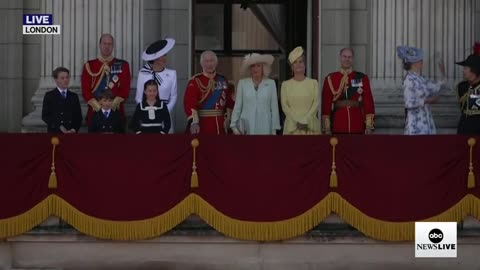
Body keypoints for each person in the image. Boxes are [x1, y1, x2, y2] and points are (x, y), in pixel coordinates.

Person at [321, 48, 375, 135]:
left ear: (353, 59)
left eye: (349, 57)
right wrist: (326, 128)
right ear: (340, 58)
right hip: (338, 124)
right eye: (344, 56)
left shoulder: (361, 77)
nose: (347, 59)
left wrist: (369, 126)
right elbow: (326, 104)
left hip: (357, 125)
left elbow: (368, 102)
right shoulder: (331, 78)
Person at [81, 33, 131, 125]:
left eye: (109, 44)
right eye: (104, 43)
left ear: (113, 46)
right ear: (100, 45)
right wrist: (98, 106)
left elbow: (125, 89)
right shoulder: (89, 65)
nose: (107, 46)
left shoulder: (123, 65)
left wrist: (112, 105)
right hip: (95, 113)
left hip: (116, 113)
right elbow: (85, 90)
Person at [397, 45, 446, 135]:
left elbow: (436, 87)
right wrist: (427, 100)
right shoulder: (409, 79)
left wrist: (442, 73)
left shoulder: (420, 78)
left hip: (426, 120)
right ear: (414, 63)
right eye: (419, 60)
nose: (422, 61)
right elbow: (408, 103)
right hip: (416, 124)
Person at [184, 50, 234, 135]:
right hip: (202, 125)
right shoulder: (195, 81)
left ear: (216, 63)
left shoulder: (223, 80)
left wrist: (228, 119)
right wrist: (194, 122)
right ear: (202, 63)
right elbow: (189, 103)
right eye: (206, 61)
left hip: (221, 125)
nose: (209, 64)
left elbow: (228, 102)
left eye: (212, 61)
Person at [230, 53, 281, 135]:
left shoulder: (271, 83)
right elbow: (238, 106)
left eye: (258, 66)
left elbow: (274, 109)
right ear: (250, 69)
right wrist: (233, 126)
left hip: (265, 126)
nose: (255, 69)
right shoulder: (242, 83)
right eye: (253, 66)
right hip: (245, 126)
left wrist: (274, 130)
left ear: (263, 67)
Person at [135, 39, 177, 133]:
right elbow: (138, 98)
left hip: (165, 115)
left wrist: (164, 111)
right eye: (162, 55)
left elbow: (174, 96)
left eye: (165, 55)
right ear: (155, 58)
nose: (165, 58)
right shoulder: (143, 74)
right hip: (146, 116)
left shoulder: (172, 74)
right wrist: (145, 111)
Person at [280, 46, 320, 135]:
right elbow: (285, 106)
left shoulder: (313, 83)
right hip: (292, 129)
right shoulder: (285, 85)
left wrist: (305, 121)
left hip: (310, 128)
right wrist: (297, 121)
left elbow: (316, 104)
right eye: (295, 62)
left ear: (305, 64)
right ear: (291, 67)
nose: (298, 64)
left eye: (301, 61)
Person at [42, 67, 82, 134]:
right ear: (56, 79)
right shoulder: (49, 96)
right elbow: (45, 116)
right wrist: (59, 126)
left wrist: (73, 129)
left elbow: (78, 117)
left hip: (71, 133)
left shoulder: (74, 96)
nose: (66, 80)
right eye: (62, 78)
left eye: (67, 77)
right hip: (55, 132)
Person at [456, 43, 480, 135]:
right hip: (464, 128)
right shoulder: (462, 86)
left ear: (475, 70)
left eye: (466, 68)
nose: (464, 71)